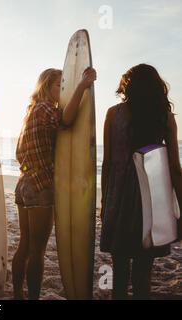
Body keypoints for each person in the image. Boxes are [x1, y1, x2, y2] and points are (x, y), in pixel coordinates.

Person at [12, 67, 96, 299]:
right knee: (37, 250)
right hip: (41, 186)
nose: (62, 91)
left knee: (25, 244)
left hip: (24, 183)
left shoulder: (30, 112)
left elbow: (21, 152)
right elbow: (67, 119)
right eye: (60, 86)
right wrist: (82, 85)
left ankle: (18, 294)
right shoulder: (46, 108)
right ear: (46, 87)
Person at [100, 64, 182, 299]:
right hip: (151, 199)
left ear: (128, 86)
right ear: (157, 87)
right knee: (142, 278)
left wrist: (105, 201)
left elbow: (107, 162)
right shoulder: (164, 117)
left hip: (119, 200)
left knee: (120, 275)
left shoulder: (113, 114)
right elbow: (175, 169)